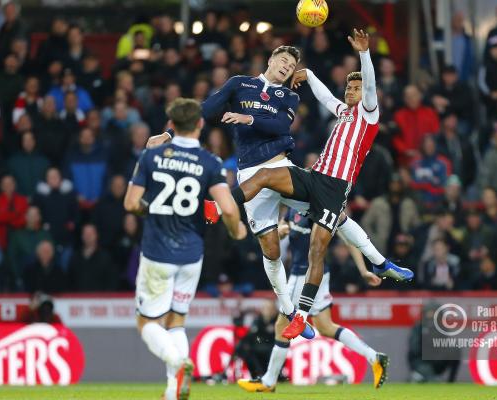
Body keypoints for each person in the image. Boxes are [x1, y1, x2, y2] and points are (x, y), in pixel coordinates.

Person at [148, 36, 402, 340]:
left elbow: (280, 127)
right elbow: (205, 109)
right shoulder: (239, 84)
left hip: (281, 167)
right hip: (248, 173)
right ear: (270, 60)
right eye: (283, 61)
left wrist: (248, 116)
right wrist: (170, 133)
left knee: (327, 218)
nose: (287, 67)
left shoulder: (289, 97)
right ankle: (290, 310)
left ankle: (378, 261)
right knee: (271, 251)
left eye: (293, 65)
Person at [227, 30, 413, 340]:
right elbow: (326, 96)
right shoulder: (343, 112)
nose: (352, 91)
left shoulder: (369, 114)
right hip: (314, 176)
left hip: (334, 188)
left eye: (357, 87)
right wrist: (310, 74)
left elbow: (369, 84)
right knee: (266, 175)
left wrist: (365, 54)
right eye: (349, 87)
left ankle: (301, 315)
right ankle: (223, 205)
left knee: (317, 250)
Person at [124, 98, 246, 400]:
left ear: (171, 125)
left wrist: (151, 210)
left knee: (147, 323)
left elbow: (130, 203)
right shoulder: (210, 163)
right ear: (200, 125)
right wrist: (238, 230)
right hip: (192, 255)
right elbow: (228, 210)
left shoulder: (152, 155)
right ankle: (172, 391)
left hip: (157, 253)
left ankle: (178, 363)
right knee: (176, 320)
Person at [238, 209, 389, 392]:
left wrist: (363, 270)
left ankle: (269, 381)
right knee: (325, 326)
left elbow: (349, 238)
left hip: (306, 275)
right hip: (316, 274)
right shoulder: (293, 208)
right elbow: (282, 230)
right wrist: (282, 230)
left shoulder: (319, 209)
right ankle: (374, 357)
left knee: (281, 325)